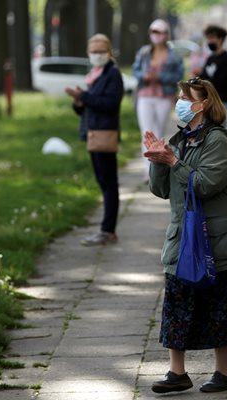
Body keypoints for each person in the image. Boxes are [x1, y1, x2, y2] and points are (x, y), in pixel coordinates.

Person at [143, 77, 227, 394]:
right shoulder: (179, 140)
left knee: (220, 304)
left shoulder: (218, 141)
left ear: (203, 105)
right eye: (179, 97)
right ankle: (177, 372)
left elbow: (204, 184)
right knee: (177, 301)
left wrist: (173, 161)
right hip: (182, 235)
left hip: (217, 236)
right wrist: (158, 160)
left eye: (186, 98)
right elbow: (161, 190)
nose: (180, 103)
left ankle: (223, 372)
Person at [65, 34, 124, 246]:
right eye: (93, 51)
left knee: (108, 184)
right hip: (92, 132)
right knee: (103, 182)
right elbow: (88, 107)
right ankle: (106, 229)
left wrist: (83, 97)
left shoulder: (113, 75)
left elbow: (109, 104)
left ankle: (108, 230)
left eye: (101, 51)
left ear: (109, 52)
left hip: (104, 134)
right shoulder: (95, 75)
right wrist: (78, 102)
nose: (97, 55)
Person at [132, 19, 184, 179]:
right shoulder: (144, 52)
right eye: (154, 32)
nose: (157, 35)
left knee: (159, 133)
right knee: (146, 134)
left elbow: (178, 75)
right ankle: (147, 172)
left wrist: (159, 76)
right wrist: (145, 76)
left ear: (166, 34)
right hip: (145, 96)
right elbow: (136, 70)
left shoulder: (174, 55)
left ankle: (157, 170)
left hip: (164, 96)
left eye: (160, 32)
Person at [199, 25, 227, 111]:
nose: (209, 41)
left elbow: (222, 82)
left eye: (212, 38)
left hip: (221, 103)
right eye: (208, 38)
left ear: (220, 39)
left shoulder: (226, 58)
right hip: (208, 102)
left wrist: (204, 82)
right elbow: (203, 76)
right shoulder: (210, 58)